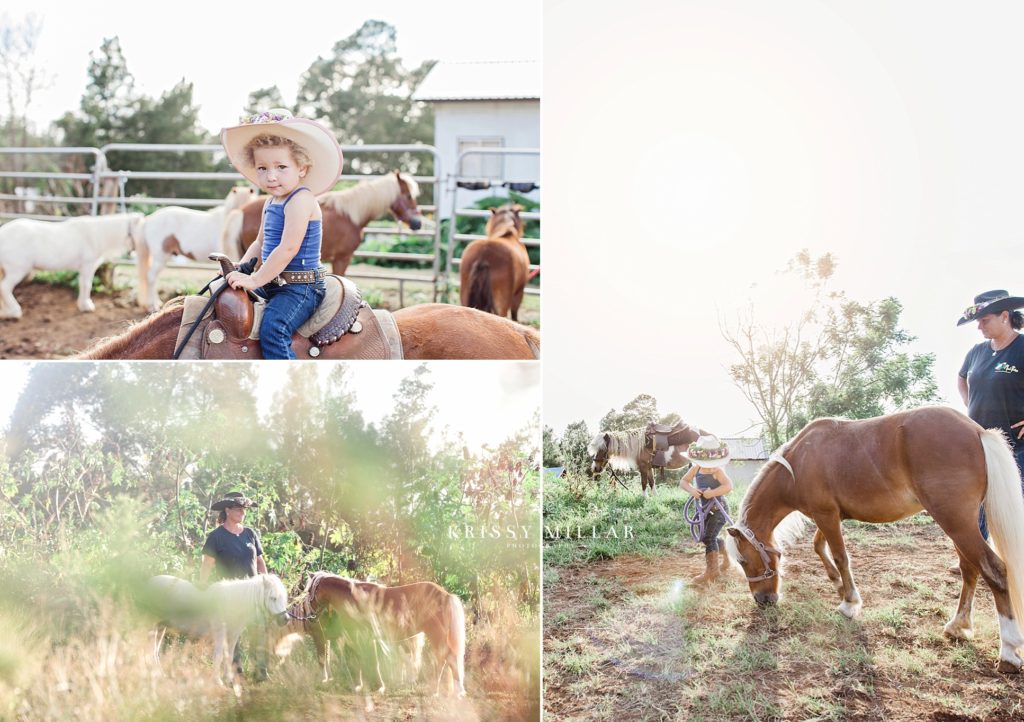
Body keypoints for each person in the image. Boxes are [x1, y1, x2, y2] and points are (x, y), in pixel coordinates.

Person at [219, 109, 344, 359]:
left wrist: (255, 281)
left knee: (274, 329)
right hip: (274, 282)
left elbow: (288, 248)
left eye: (281, 167)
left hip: (301, 287)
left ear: (302, 168)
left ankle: (290, 388)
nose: (271, 176)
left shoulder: (301, 200)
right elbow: (260, 242)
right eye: (262, 168)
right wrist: (242, 267)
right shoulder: (272, 201)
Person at [956, 289, 1024, 550]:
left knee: (1015, 500)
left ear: (1005, 316)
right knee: (978, 497)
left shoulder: (1021, 348)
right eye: (978, 322)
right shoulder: (977, 352)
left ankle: (1016, 556)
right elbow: (962, 377)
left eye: (985, 321)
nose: (979, 327)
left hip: (1016, 443)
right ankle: (977, 553)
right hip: (980, 439)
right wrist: (968, 401)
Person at [200, 491, 267, 678]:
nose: (243, 512)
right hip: (229, 594)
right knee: (233, 632)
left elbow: (260, 561)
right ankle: (235, 670)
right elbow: (207, 563)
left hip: (254, 592)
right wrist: (202, 584)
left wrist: (266, 582)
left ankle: (260, 671)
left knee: (259, 627)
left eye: (244, 509)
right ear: (227, 510)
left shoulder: (250, 534)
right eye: (238, 509)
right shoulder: (216, 536)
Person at [679, 435, 734, 586]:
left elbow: (728, 486)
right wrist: (691, 490)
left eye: (713, 464)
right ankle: (726, 555)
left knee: (709, 537)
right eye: (706, 464)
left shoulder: (718, 471)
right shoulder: (696, 468)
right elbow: (683, 482)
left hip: (719, 509)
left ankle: (712, 571)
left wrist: (712, 493)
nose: (710, 467)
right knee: (706, 537)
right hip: (704, 510)